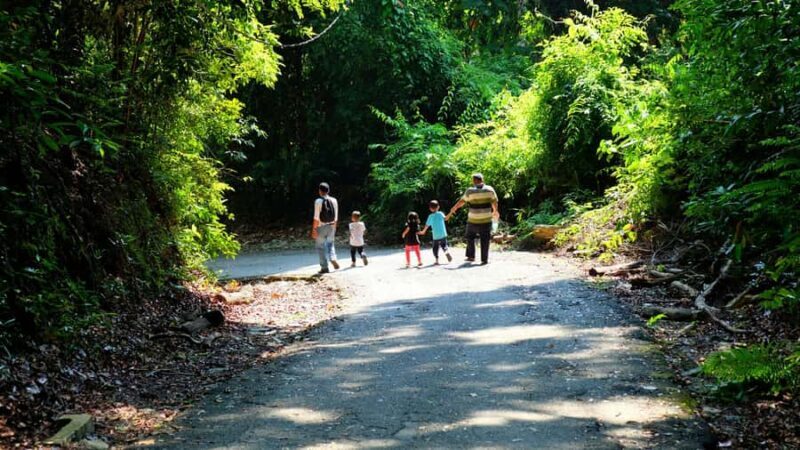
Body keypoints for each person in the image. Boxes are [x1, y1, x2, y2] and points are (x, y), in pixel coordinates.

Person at [446, 173, 499, 264]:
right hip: (486, 219)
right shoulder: (490, 189)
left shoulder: (470, 191)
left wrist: (454, 208)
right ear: (482, 180)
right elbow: (494, 202)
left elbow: (462, 201)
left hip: (473, 220)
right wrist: (495, 212)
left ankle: (471, 257)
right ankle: (484, 259)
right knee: (485, 239)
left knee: (470, 237)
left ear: (474, 180)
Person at [311, 182, 339, 273]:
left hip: (321, 227)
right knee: (331, 244)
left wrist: (314, 230)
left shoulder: (318, 201)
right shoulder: (334, 200)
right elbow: (336, 217)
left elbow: (316, 218)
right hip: (331, 225)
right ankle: (333, 258)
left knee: (320, 247)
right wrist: (334, 227)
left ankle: (324, 267)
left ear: (320, 191)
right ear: (328, 190)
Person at [418, 200, 452, 265]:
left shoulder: (430, 216)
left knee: (435, 248)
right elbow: (446, 219)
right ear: (438, 207)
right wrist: (451, 212)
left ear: (430, 208)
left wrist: (423, 231)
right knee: (444, 245)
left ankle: (436, 260)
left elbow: (427, 225)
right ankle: (446, 251)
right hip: (443, 234)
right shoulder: (440, 213)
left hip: (436, 236)